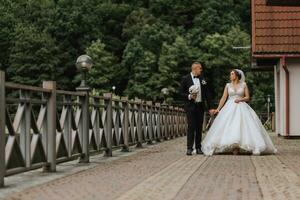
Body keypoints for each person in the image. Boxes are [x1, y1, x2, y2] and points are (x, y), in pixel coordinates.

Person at [201, 69, 277, 156]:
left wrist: (241, 99)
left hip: (241, 106)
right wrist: (218, 109)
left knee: (244, 125)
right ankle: (232, 146)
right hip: (229, 106)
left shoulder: (244, 85)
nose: (230, 76)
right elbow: (223, 98)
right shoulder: (228, 85)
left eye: (232, 74)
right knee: (228, 124)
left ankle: (244, 146)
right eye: (230, 74)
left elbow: (247, 97)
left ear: (236, 76)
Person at [180, 62, 214, 156]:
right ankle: (189, 148)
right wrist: (190, 96)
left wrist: (210, 107)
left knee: (199, 127)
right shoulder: (185, 79)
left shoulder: (202, 79)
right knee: (191, 127)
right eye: (200, 68)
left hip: (200, 106)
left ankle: (198, 147)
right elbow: (181, 93)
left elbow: (207, 94)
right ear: (194, 69)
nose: (201, 70)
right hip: (190, 106)